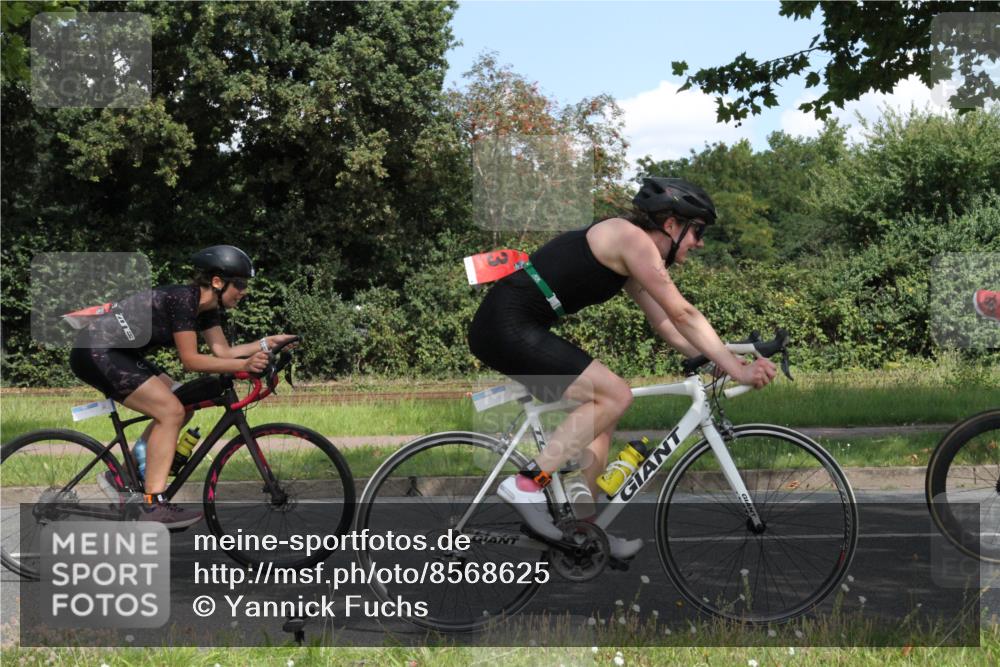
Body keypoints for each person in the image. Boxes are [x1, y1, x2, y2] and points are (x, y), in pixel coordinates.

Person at [468, 177, 777, 559]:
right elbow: (683, 313)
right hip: (506, 326)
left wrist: (719, 364)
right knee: (615, 393)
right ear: (671, 225)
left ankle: (584, 530)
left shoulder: (634, 252)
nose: (700, 242)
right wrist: (735, 368)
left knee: (606, 409)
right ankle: (527, 484)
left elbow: (665, 323)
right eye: (697, 231)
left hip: (514, 326)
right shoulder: (632, 240)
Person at [69, 245, 296, 528]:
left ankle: (123, 477)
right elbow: (191, 360)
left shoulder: (207, 309)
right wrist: (246, 365)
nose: (244, 291)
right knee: (171, 411)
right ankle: (152, 504)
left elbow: (223, 353)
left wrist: (267, 343)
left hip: (121, 353)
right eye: (239, 284)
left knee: (182, 404)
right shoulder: (182, 299)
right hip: (96, 351)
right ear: (217, 281)